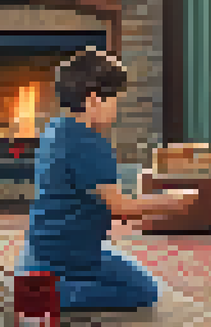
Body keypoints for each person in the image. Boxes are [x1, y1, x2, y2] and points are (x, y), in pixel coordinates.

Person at [17, 47, 198, 312]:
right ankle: (49, 293)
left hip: (42, 244)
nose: (117, 109)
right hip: (71, 252)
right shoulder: (90, 145)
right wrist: (174, 202)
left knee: (118, 263)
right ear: (93, 100)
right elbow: (123, 209)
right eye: (115, 100)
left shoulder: (54, 129)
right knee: (145, 291)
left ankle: (37, 274)